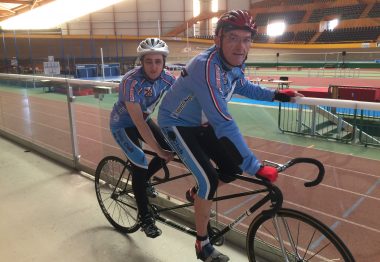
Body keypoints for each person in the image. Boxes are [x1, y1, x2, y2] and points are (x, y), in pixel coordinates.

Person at [157, 10, 303, 261]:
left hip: (201, 123)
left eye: (246, 40)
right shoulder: (206, 67)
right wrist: (254, 166)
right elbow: (223, 123)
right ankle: (202, 244)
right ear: (218, 39)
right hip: (175, 122)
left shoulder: (233, 62)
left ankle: (194, 195)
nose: (240, 46)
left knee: (231, 169)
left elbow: (243, 85)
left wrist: (276, 95)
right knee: (209, 180)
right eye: (233, 38)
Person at [110, 38, 175, 238]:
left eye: (158, 61)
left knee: (169, 150)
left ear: (164, 62)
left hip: (143, 119)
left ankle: (144, 181)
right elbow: (137, 122)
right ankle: (145, 217)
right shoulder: (131, 81)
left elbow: (183, 102)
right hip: (123, 124)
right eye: (149, 62)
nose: (154, 66)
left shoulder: (168, 79)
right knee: (140, 162)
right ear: (141, 62)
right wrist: (158, 150)